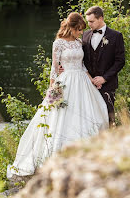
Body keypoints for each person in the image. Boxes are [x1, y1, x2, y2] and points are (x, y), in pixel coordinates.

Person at [7, 12, 109, 178]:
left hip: (82, 81)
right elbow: (54, 69)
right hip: (66, 82)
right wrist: (52, 90)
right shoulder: (58, 43)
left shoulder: (78, 42)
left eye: (82, 30)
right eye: (78, 30)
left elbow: (82, 66)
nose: (80, 33)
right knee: (60, 117)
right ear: (71, 27)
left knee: (90, 113)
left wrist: (91, 80)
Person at [82, 6, 125, 126]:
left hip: (108, 85)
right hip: (88, 84)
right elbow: (79, 57)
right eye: (88, 21)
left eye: (91, 21)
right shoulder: (85, 35)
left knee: (108, 118)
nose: (89, 24)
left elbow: (120, 61)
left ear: (100, 18)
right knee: (88, 118)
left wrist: (104, 78)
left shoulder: (116, 36)